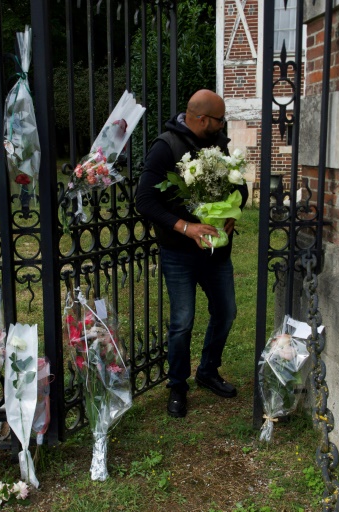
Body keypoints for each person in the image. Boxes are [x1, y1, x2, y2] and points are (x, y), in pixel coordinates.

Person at [136, 89, 249, 418]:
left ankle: (208, 371)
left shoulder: (218, 142)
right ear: (202, 119)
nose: (222, 125)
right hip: (179, 254)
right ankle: (177, 386)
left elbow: (238, 186)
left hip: (215, 253)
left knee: (225, 313)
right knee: (182, 323)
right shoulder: (165, 147)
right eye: (219, 120)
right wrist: (186, 227)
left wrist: (231, 213)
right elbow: (144, 200)